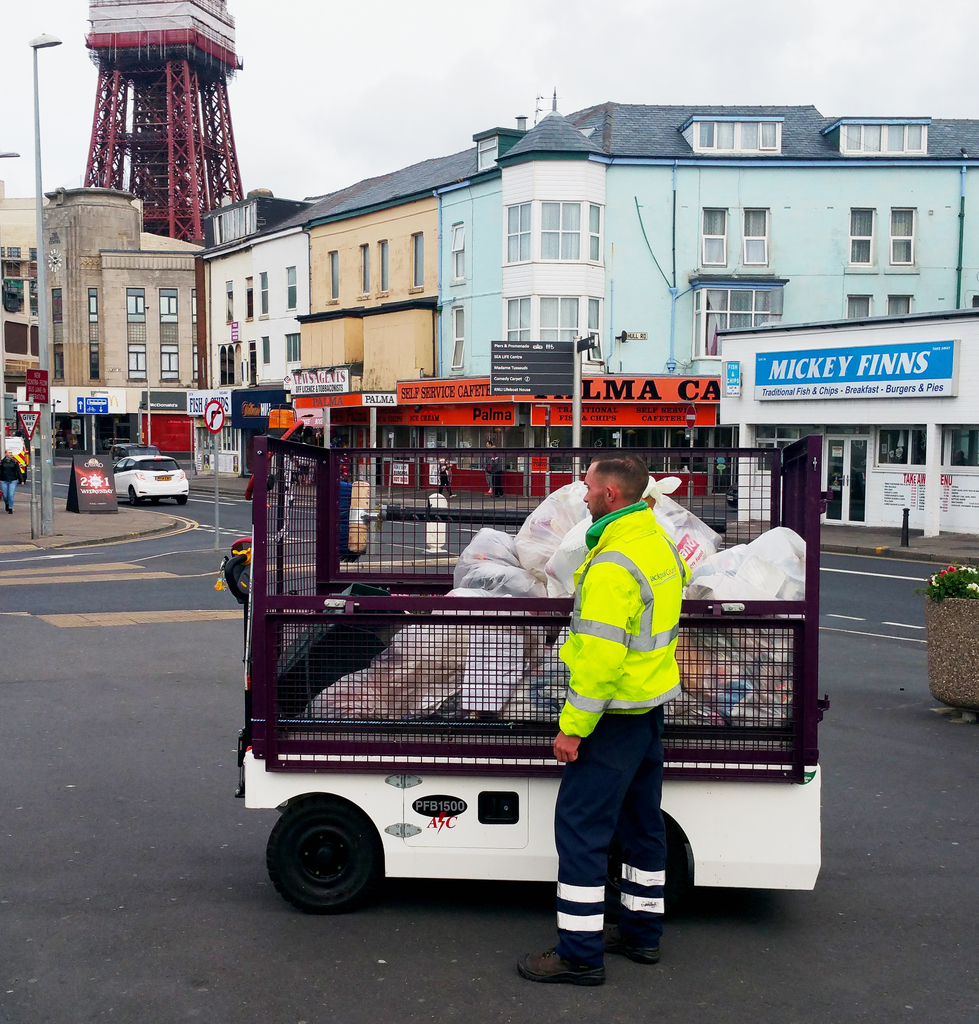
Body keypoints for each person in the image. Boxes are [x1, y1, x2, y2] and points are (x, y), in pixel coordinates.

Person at [518, 454, 690, 987]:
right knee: (641, 827)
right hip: (648, 710)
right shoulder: (654, 541)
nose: (583, 493)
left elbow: (598, 659)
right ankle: (641, 935)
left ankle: (579, 954)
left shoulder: (613, 564)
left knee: (581, 833)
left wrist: (573, 728)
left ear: (610, 495)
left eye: (588, 486)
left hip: (612, 719)